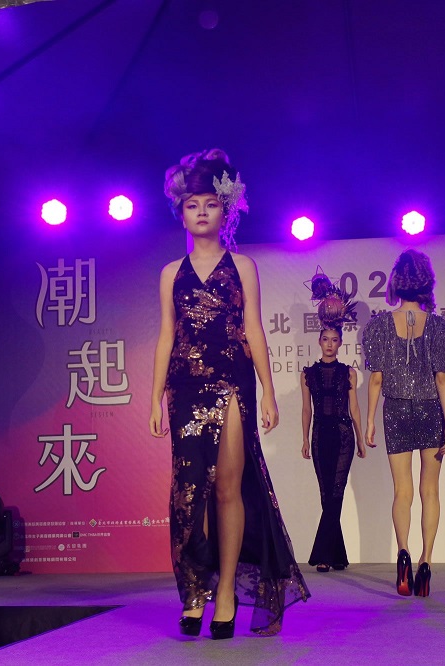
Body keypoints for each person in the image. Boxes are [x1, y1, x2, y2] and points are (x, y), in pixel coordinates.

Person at [150, 149, 309, 639]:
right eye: (192, 204)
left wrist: (269, 391)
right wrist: (154, 398)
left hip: (232, 383)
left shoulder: (243, 266)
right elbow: (167, 335)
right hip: (184, 388)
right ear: (180, 211)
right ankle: (195, 589)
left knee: (227, 488)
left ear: (226, 210)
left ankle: (224, 596)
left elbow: (254, 330)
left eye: (210, 203)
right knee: (188, 493)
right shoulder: (169, 273)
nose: (201, 211)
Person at [361, 249, 445, 597]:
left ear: (396, 282)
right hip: (431, 410)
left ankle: (402, 553)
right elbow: (442, 378)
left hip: (396, 411)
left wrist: (369, 420)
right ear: (427, 282)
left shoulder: (379, 326)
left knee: (402, 491)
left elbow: (376, 379)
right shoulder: (441, 327)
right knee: (430, 491)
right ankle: (425, 561)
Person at [300, 271, 369, 572]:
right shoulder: (307, 374)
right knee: (325, 494)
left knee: (336, 493)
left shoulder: (348, 373)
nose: (329, 344)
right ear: (319, 341)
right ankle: (337, 555)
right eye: (325, 340)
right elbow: (306, 410)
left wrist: (361, 438)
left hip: (343, 436)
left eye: (334, 340)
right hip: (319, 436)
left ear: (340, 343)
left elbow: (354, 408)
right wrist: (304, 439)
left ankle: (324, 556)